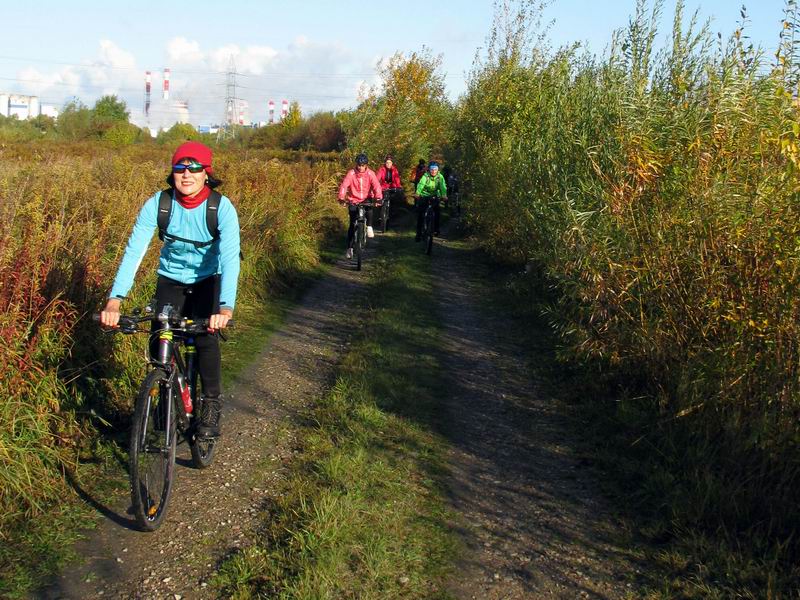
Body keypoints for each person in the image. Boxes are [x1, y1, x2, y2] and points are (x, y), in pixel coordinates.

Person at [100, 141, 240, 438]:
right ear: (172, 172)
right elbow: (134, 251)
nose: (186, 175)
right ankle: (165, 407)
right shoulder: (159, 204)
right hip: (171, 279)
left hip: (208, 281)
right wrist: (115, 300)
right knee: (158, 339)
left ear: (206, 174)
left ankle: (211, 406)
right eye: (180, 168)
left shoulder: (220, 208)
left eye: (194, 169)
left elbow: (229, 259)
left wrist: (225, 308)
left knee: (205, 340)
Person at [337, 153, 383, 258]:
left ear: (366, 165)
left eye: (363, 165)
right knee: (352, 224)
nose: (360, 167)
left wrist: (378, 198)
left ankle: (369, 226)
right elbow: (344, 185)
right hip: (353, 199)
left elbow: (376, 186)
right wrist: (341, 197)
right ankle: (350, 248)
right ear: (356, 164)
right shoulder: (351, 173)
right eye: (359, 165)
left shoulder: (370, 173)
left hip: (366, 198)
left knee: (369, 209)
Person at [415, 161, 447, 240]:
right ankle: (418, 233)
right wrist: (417, 193)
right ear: (429, 170)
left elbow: (443, 187)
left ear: (438, 170)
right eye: (432, 169)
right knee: (421, 214)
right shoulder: (425, 176)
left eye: (435, 169)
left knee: (437, 213)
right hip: (424, 195)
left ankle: (436, 230)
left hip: (435, 196)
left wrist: (444, 195)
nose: (433, 171)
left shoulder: (440, 177)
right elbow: (421, 184)